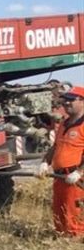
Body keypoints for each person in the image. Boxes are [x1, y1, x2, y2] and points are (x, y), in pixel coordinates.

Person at [36, 85, 84, 237]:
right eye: (65, 100)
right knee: (59, 215)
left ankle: (75, 248)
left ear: (82, 101)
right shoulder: (64, 123)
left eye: (71, 100)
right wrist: (45, 163)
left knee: (74, 218)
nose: (66, 103)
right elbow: (56, 146)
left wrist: (79, 172)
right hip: (59, 178)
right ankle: (62, 241)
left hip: (75, 180)